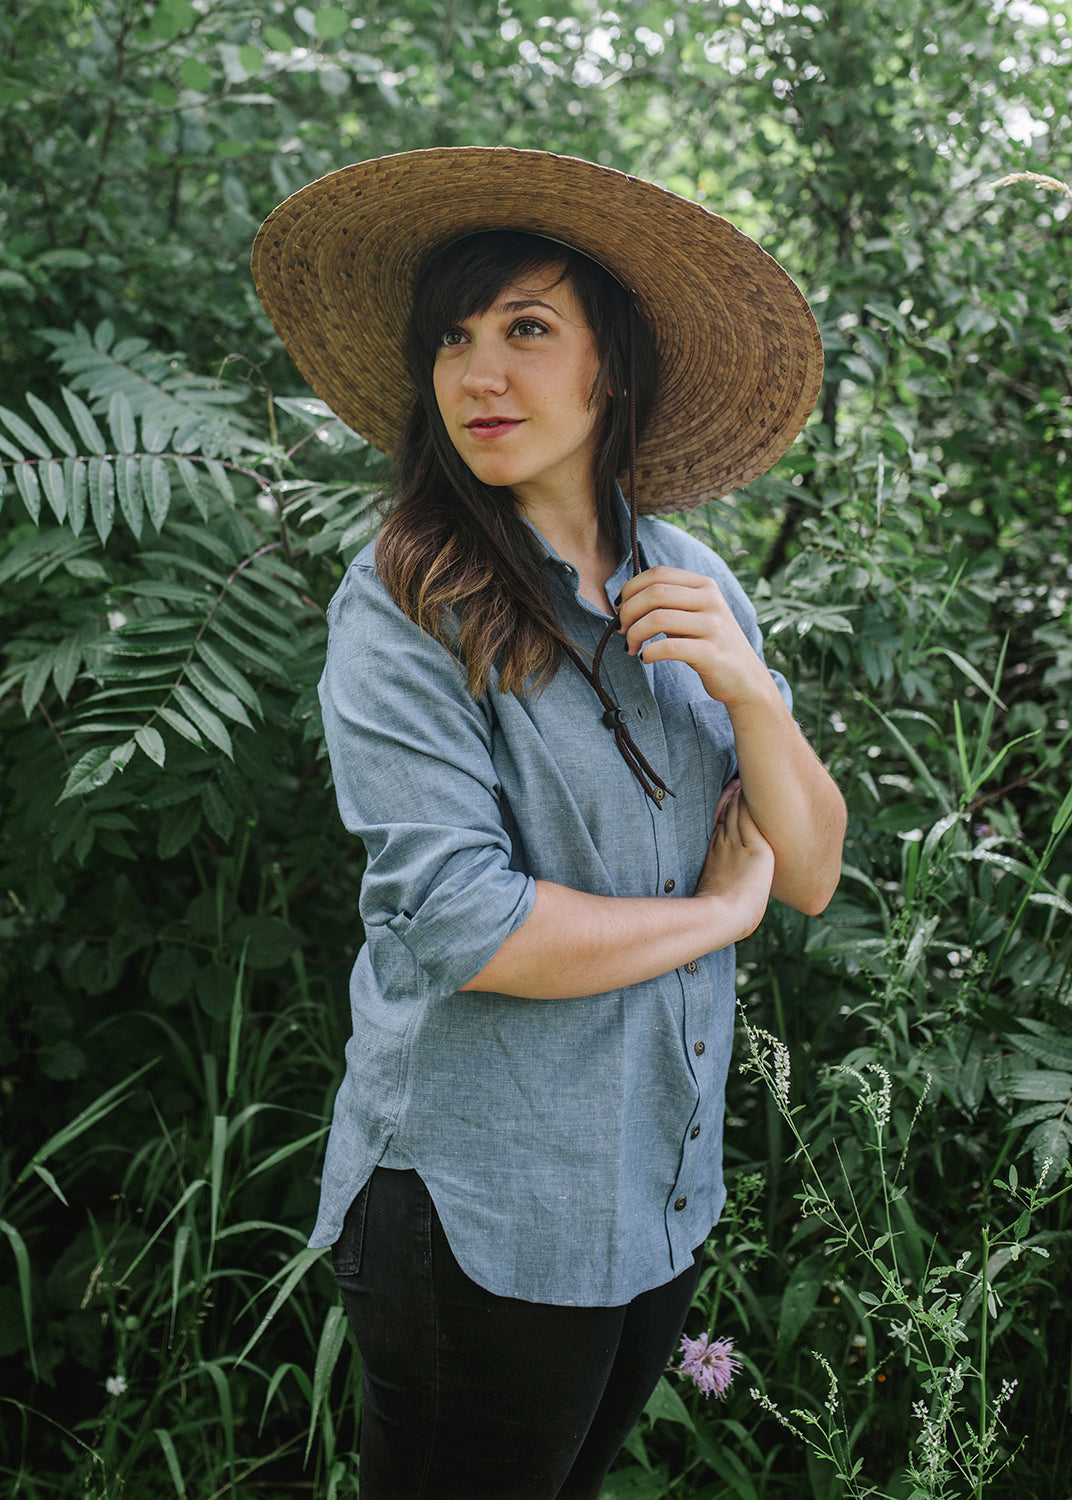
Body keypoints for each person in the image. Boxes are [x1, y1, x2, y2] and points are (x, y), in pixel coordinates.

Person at [252, 147, 846, 1499]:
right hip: (484, 1208)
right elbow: (469, 922)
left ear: (609, 368)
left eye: (527, 330)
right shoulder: (408, 601)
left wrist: (752, 695)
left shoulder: (689, 578)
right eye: (456, 339)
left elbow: (806, 867)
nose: (480, 375)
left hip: (655, 1186)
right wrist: (712, 915)